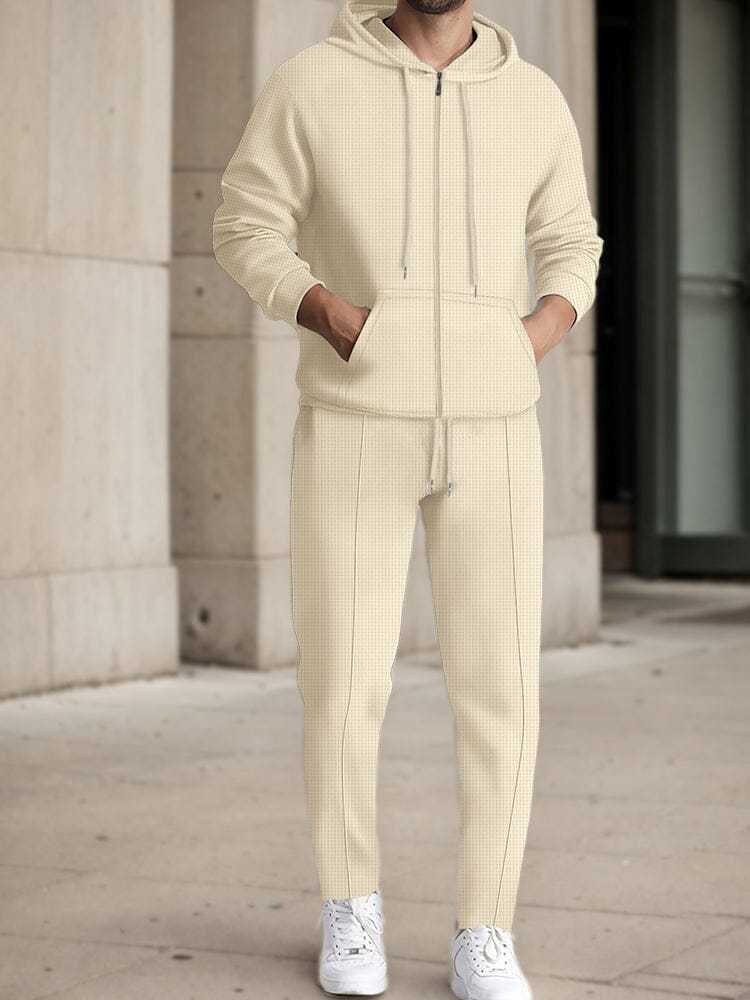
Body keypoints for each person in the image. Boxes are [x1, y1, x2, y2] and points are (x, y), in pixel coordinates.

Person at [212, 1, 603, 996]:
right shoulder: (312, 83)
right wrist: (331, 314)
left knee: (502, 688)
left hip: (496, 428)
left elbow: (572, 240)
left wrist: (530, 337)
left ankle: (488, 927)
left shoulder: (533, 99)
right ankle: (351, 906)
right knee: (344, 682)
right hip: (354, 420)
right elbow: (244, 224)